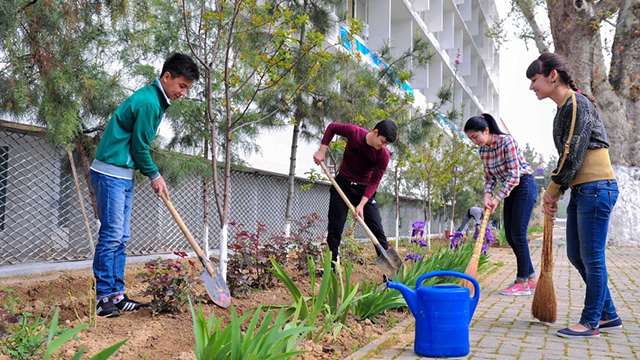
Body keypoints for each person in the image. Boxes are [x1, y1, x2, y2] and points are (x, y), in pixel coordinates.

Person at [89, 53, 199, 317]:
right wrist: (154, 175)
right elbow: (139, 147)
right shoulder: (150, 103)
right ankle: (103, 297)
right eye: (181, 86)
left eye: (187, 89)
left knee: (121, 238)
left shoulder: (155, 101)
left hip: (122, 174)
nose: (183, 93)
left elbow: (136, 146)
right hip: (110, 173)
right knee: (112, 235)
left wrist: (149, 173)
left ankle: (117, 295)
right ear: (167, 77)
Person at [527, 52, 620, 338]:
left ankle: (591, 322)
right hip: (584, 189)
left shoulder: (576, 102)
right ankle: (609, 315)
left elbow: (573, 152)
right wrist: (556, 192)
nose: (531, 87)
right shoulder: (564, 108)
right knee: (576, 254)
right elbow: (566, 154)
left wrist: (553, 192)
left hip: (596, 188)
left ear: (552, 76)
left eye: (534, 79)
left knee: (592, 257)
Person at [464, 113, 537, 296]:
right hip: (510, 190)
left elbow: (514, 175)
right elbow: (489, 178)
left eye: (475, 136)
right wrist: (488, 196)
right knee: (511, 236)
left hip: (524, 186)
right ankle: (532, 278)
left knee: (518, 235)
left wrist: (497, 199)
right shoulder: (483, 151)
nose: (474, 141)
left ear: (486, 130)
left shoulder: (507, 142)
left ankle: (522, 283)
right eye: (470, 139)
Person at [313, 120, 397, 274]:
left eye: (387, 144)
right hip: (342, 184)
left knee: (377, 230)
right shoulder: (354, 132)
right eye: (383, 142)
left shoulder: (383, 155)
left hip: (364, 190)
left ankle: (389, 274)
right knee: (335, 227)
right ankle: (332, 265)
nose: (383, 146)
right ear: (376, 132)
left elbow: (374, 181)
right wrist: (322, 151)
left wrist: (362, 204)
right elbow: (332, 127)